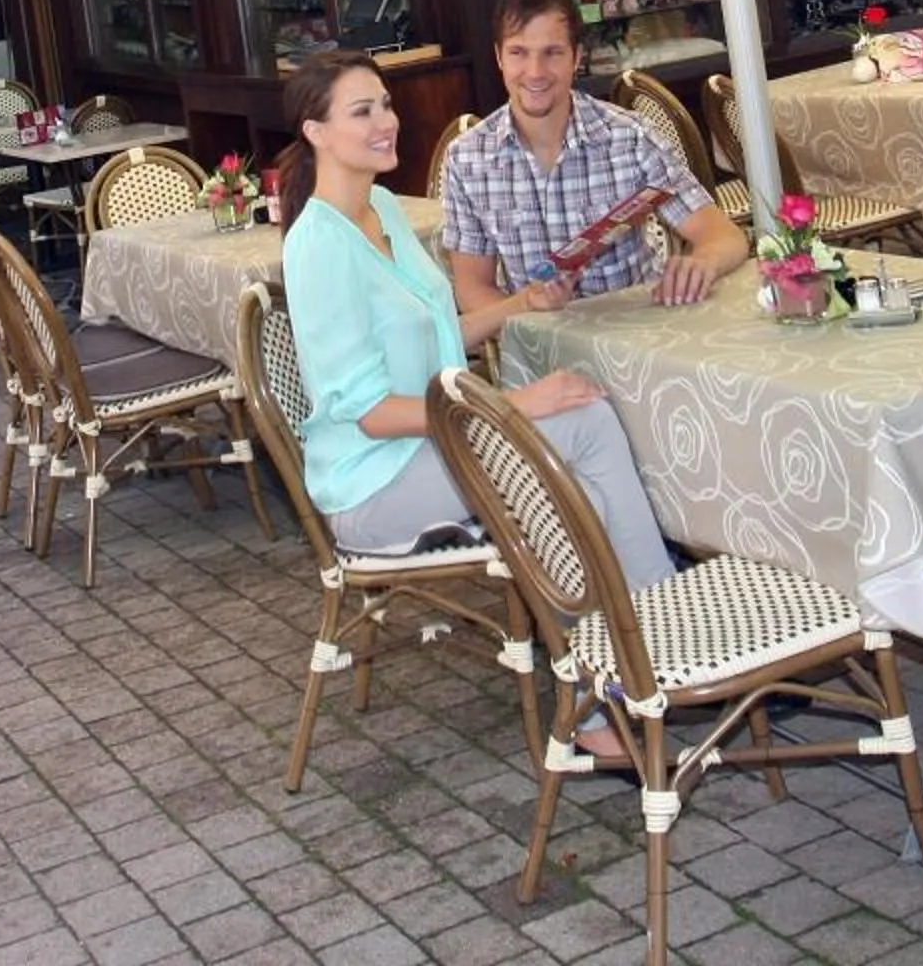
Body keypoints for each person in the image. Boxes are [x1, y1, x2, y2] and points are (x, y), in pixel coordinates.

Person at [277, 50, 677, 769]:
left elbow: (434, 336)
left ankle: (641, 658)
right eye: (361, 111)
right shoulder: (319, 243)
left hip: (429, 451)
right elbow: (366, 411)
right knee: (564, 446)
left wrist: (520, 303)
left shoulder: (385, 210)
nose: (386, 122)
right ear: (315, 132)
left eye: (385, 105)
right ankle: (629, 672)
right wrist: (511, 407)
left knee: (575, 443)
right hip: (374, 484)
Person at [439, 0, 752, 315]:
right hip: (537, 348)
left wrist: (702, 262)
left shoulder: (629, 137)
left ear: (576, 57)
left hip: (632, 340)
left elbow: (724, 236)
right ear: (498, 57)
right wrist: (528, 314)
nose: (535, 72)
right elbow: (472, 288)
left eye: (552, 53)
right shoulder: (467, 158)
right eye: (518, 52)